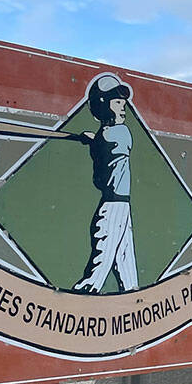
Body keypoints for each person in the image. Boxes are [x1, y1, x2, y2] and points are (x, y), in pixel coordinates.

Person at [73, 75, 138, 293]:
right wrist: (94, 140)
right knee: (118, 253)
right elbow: (105, 144)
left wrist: (92, 141)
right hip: (117, 204)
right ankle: (124, 291)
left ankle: (90, 288)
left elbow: (109, 142)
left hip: (116, 205)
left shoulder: (119, 132)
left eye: (122, 103)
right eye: (117, 102)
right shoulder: (109, 134)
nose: (123, 107)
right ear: (103, 105)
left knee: (112, 249)